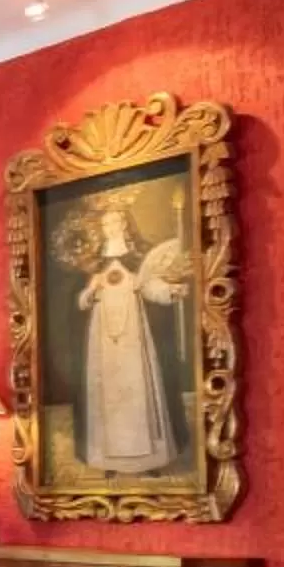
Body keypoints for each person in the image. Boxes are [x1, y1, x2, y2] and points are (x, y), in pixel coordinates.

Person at [68, 191, 188, 474]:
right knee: (107, 394)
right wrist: (92, 289)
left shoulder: (138, 258)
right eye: (107, 224)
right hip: (104, 338)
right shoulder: (94, 262)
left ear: (124, 225)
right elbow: (80, 302)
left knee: (138, 389)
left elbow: (151, 287)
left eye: (116, 223)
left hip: (134, 334)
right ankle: (109, 460)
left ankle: (148, 460)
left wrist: (172, 290)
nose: (112, 228)